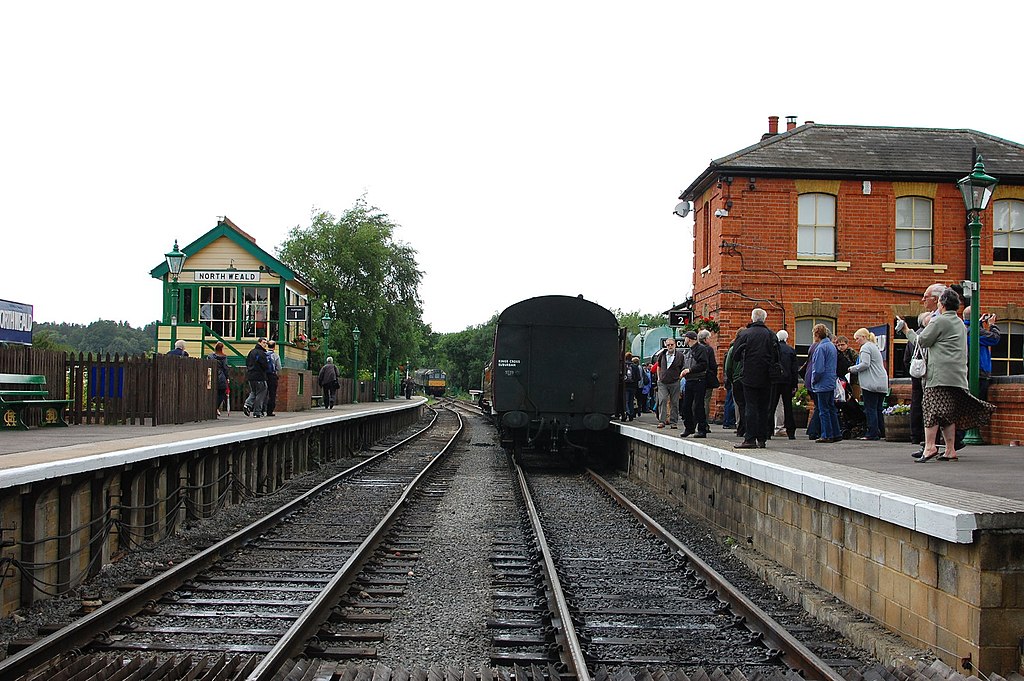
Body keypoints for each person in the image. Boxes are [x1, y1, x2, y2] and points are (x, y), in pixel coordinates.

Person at [898, 289, 996, 462]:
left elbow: (922, 341)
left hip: (939, 375)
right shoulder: (959, 322)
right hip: (957, 375)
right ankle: (950, 450)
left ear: (941, 304)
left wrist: (907, 330)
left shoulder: (940, 321)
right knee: (948, 414)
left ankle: (929, 447)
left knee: (931, 411)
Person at [731, 308, 779, 449]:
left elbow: (735, 355)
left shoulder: (745, 334)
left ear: (752, 318)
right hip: (767, 376)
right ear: (764, 319)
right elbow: (777, 356)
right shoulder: (771, 335)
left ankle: (750, 438)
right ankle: (762, 438)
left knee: (750, 407)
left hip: (750, 375)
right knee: (764, 408)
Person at [848, 328, 888, 441]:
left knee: (870, 408)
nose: (856, 341)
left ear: (864, 337)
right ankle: (882, 431)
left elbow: (865, 364)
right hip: (881, 382)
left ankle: (872, 433)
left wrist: (852, 369)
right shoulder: (874, 347)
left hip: (871, 383)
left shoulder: (865, 347)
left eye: (857, 338)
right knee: (878, 409)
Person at [809, 324, 841, 443]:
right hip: (831, 381)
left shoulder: (821, 348)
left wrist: (814, 380)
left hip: (822, 383)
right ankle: (836, 433)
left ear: (817, 334)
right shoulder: (832, 346)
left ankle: (827, 434)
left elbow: (818, 369)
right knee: (831, 408)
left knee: (823, 410)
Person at [963, 306, 1001, 402]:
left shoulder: (963, 329)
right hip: (980, 373)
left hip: (966, 372)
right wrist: (992, 325)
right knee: (980, 405)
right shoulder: (976, 332)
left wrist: (979, 322)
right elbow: (994, 338)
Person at [906, 312, 931, 448]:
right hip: (927, 374)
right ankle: (925, 436)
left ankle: (915, 435)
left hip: (915, 374)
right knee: (929, 405)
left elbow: (906, 358)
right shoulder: (927, 336)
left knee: (916, 404)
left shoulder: (913, 336)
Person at [680, 330, 710, 437]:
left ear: (690, 339)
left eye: (686, 337)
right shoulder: (688, 351)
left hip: (699, 380)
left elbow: (703, 364)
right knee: (686, 405)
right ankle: (689, 427)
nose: (684, 339)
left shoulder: (701, 349)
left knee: (698, 405)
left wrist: (690, 370)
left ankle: (702, 429)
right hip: (689, 380)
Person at [770, 329, 798, 440]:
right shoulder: (791, 351)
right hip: (787, 381)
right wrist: (794, 384)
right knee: (788, 407)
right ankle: (791, 431)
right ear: (786, 338)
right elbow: (794, 370)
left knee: (771, 406)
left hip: (775, 381)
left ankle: (768, 430)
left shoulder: (773, 350)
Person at [652, 338, 685, 429]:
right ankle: (662, 421)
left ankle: (673, 422)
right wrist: (659, 378)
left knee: (674, 402)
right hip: (663, 382)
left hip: (674, 381)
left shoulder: (680, 356)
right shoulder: (662, 355)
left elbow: (683, 368)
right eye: (668, 345)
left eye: (671, 345)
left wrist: (679, 377)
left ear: (675, 345)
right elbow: (658, 366)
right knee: (662, 400)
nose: (670, 346)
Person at [243, 338, 270, 417]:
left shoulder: (251, 352)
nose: (265, 344)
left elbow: (247, 362)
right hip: (260, 376)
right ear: (259, 343)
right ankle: (257, 412)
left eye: (266, 343)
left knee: (253, 392)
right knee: (261, 393)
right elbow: (264, 365)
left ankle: (247, 404)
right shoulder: (261, 353)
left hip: (251, 375)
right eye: (264, 342)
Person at [698, 329, 719, 426]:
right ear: (705, 339)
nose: (710, 340)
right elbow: (713, 364)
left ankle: (697, 421)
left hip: (697, 377)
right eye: (709, 338)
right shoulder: (709, 349)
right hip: (707, 377)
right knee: (706, 400)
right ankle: (704, 423)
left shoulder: (696, 348)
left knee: (698, 400)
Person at [206, 342, 230, 416]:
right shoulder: (224, 357)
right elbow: (225, 368)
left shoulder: (210, 356)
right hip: (221, 376)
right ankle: (216, 407)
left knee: (211, 393)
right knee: (221, 393)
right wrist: (227, 377)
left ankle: (211, 408)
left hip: (212, 375)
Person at [621, 352, 640, 422]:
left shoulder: (623, 365)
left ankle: (626, 412)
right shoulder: (635, 367)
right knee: (631, 400)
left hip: (625, 386)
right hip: (633, 386)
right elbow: (639, 377)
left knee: (626, 400)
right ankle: (631, 414)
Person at [265, 340, 282, 416]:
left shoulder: (263, 354)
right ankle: (270, 411)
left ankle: (261, 409)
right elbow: (279, 367)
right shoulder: (276, 356)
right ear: (274, 347)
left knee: (263, 393)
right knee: (272, 393)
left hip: (264, 375)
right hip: (272, 376)